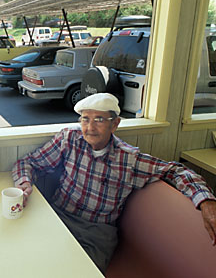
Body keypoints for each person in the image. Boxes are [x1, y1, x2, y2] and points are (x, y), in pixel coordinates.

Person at [12, 93, 216, 274]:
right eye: (85, 119)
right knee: (26, 259)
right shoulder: (69, 139)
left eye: (99, 120)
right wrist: (24, 184)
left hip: (95, 234)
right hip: (58, 218)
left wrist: (206, 201)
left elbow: (176, 171)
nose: (89, 128)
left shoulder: (129, 159)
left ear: (115, 124)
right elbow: (28, 162)